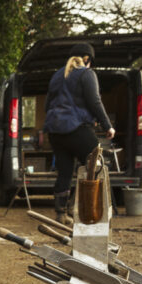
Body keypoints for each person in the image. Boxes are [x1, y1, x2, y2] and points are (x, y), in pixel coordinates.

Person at [43, 42, 115, 224]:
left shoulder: (57, 76)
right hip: (76, 128)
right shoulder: (86, 73)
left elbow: (47, 105)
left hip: (55, 131)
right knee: (94, 164)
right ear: (88, 59)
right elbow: (95, 101)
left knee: (64, 171)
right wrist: (108, 126)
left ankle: (61, 214)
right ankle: (84, 208)